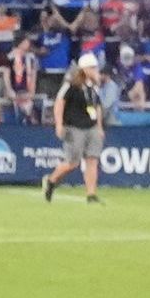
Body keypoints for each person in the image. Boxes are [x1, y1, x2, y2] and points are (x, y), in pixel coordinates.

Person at [41, 50, 108, 203]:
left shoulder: (94, 87)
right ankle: (51, 180)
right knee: (72, 162)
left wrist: (99, 126)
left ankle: (91, 194)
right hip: (74, 126)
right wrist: (59, 124)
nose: (95, 71)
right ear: (84, 69)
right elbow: (60, 103)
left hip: (91, 126)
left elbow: (97, 106)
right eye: (92, 68)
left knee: (92, 160)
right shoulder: (71, 85)